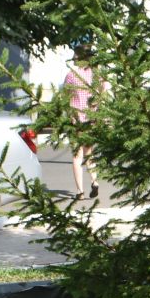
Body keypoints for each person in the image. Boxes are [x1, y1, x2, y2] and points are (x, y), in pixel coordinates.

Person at [63, 45, 98, 199]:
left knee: (77, 157)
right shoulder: (93, 74)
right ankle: (95, 182)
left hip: (76, 120)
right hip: (90, 118)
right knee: (89, 153)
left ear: (78, 58)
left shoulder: (71, 76)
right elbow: (100, 92)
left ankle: (80, 192)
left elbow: (65, 97)